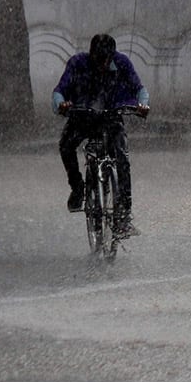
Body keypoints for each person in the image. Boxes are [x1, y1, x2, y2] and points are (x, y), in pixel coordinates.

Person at [53, 34, 150, 237]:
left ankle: (123, 215)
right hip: (83, 117)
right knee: (65, 146)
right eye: (99, 60)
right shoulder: (77, 64)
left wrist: (142, 104)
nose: (103, 65)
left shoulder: (122, 63)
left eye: (106, 60)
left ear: (112, 57)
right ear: (91, 55)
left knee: (122, 158)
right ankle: (78, 187)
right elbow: (59, 92)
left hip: (111, 118)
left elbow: (140, 89)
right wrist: (62, 104)